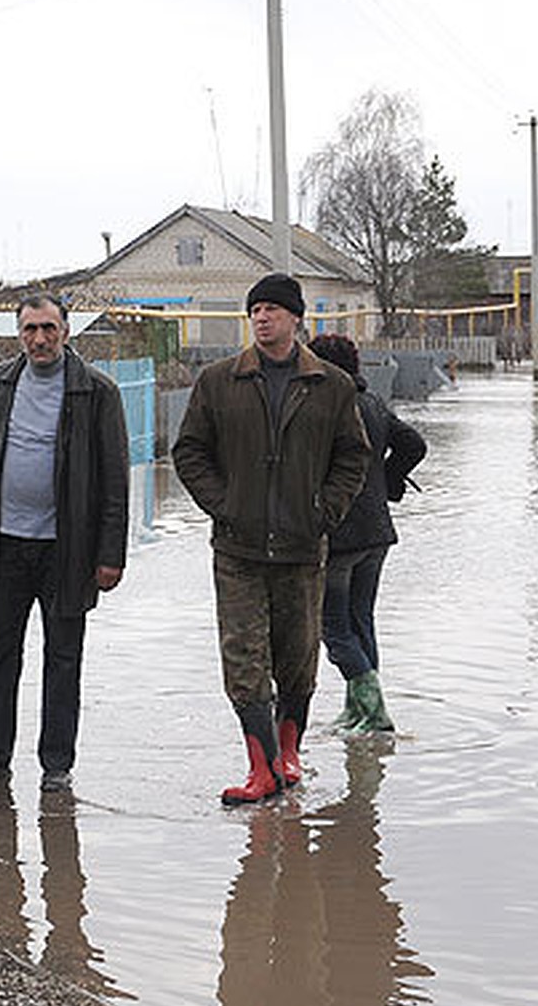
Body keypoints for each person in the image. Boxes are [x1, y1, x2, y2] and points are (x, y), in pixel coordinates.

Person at [171, 273, 370, 806]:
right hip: (238, 549)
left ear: (296, 319)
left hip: (303, 549)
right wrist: (225, 503)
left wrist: (325, 509)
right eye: (255, 310)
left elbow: (354, 455)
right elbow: (189, 451)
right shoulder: (219, 381)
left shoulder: (331, 385)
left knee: (298, 657)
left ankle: (289, 755)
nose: (262, 318)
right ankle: (260, 768)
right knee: (243, 658)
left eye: (273, 310)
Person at [0, 293, 130, 793]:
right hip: (3, 545)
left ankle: (56, 763)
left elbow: (114, 481)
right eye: (30, 330)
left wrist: (110, 554)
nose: (39, 339)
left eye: (48, 328)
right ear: (18, 334)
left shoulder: (96, 392)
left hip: (67, 550)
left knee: (63, 658)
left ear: (66, 331)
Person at [309, 333, 426, 732]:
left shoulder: (329, 407)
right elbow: (414, 444)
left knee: (334, 628)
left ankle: (374, 710)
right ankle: (358, 709)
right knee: (362, 621)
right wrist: (388, 484)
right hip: (377, 533)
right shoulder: (373, 403)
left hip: (341, 535)